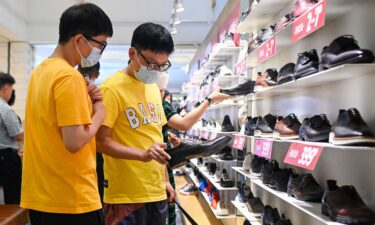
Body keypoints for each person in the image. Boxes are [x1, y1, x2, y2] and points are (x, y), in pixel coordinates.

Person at [21, 3, 112, 225]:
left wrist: (86, 101)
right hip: (72, 199)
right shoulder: (68, 77)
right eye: (100, 45)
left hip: (42, 197)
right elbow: (74, 141)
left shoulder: (40, 72)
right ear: (79, 40)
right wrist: (100, 112)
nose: (99, 52)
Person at [96, 22, 174, 225]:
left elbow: (155, 138)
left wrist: (165, 180)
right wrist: (142, 154)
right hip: (125, 196)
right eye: (151, 63)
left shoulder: (153, 89)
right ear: (132, 54)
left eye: (162, 65)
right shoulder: (111, 89)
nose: (155, 70)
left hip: (156, 192)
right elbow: (99, 141)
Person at [156, 69, 230, 225]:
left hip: (158, 168)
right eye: (161, 90)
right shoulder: (157, 103)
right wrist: (209, 100)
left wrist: (165, 134)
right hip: (155, 171)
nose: (161, 94)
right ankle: (191, 149)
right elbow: (184, 124)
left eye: (162, 91)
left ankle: (189, 149)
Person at [77, 62, 104, 204]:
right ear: (98, 74)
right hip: (90, 149)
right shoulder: (97, 93)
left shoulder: (70, 86)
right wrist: (99, 112)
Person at [0, 72, 23, 204]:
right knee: (13, 196)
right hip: (6, 158)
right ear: (6, 88)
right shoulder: (5, 109)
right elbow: (17, 134)